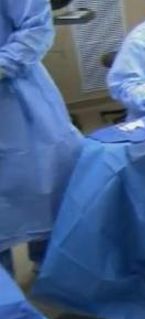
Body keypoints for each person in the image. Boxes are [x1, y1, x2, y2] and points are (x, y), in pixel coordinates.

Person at [0, 0, 82, 275]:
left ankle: (53, 269)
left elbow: (36, 29)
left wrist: (5, 63)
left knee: (48, 184)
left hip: (17, 97)